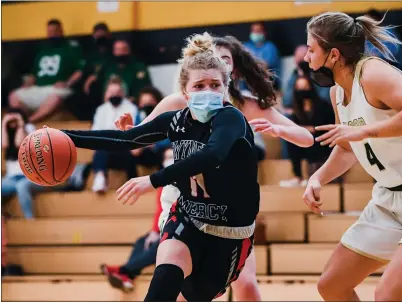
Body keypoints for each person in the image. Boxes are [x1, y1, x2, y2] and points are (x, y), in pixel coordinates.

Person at [61, 32, 260, 301]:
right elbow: (124, 139)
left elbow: (213, 155)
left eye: (215, 85)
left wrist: (152, 180)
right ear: (185, 92)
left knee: (195, 295)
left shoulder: (231, 119)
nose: (208, 91)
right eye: (199, 86)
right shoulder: (175, 120)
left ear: (225, 89)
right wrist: (66, 137)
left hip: (230, 232)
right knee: (163, 283)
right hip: (187, 219)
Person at [114, 34, 315, 301]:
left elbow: (306, 138)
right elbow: (138, 138)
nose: (217, 62)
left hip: (229, 206)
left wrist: (279, 129)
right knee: (181, 281)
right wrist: (129, 127)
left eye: (225, 59)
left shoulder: (245, 105)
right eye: (212, 57)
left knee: (246, 285)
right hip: (186, 198)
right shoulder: (180, 100)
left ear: (234, 68)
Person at [300, 11, 402, 301]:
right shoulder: (337, 92)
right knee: (332, 285)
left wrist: (365, 132)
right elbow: (348, 147)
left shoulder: (372, 73)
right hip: (388, 198)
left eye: (311, 50)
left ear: (333, 55)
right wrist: (318, 177)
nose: (306, 58)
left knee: (386, 295)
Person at [8, 19, 84, 123]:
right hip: (38, 88)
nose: (52, 34)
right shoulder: (42, 50)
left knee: (55, 97)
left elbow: (79, 71)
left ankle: (29, 122)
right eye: (50, 31)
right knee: (13, 96)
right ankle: (23, 119)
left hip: (57, 89)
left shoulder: (71, 48)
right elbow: (34, 73)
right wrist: (29, 81)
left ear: (61, 31)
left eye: (55, 31)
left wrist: (67, 83)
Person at [279, 76, 334, 188]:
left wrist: (310, 129)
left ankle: (311, 177)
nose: (302, 91)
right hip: (305, 143)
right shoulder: (296, 110)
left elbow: (329, 126)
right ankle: (297, 176)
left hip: (323, 142)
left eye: (305, 87)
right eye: (299, 88)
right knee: (292, 142)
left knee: (311, 140)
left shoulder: (324, 106)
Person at [90, 77, 138, 193]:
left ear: (122, 93)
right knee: (101, 149)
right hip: (107, 148)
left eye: (117, 92)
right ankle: (100, 178)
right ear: (106, 94)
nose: (114, 95)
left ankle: (133, 186)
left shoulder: (131, 108)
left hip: (124, 149)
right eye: (111, 92)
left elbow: (130, 131)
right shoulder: (101, 109)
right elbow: (95, 132)